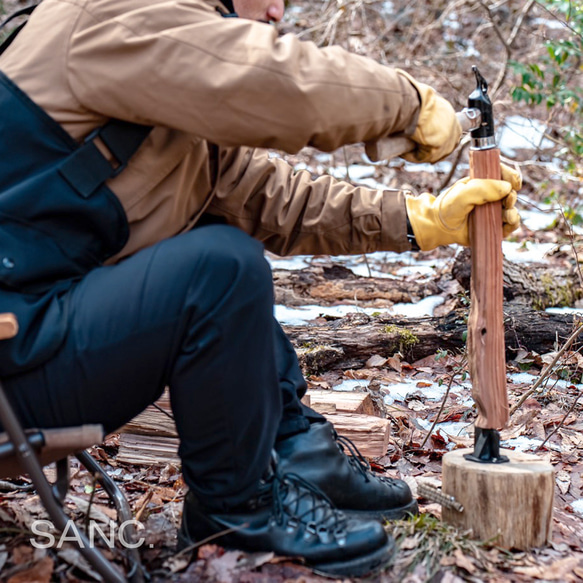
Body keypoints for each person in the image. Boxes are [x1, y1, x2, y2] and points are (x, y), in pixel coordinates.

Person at [0, 0, 520, 577]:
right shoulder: (112, 14)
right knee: (218, 269)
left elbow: (270, 198)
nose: (277, 9)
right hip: (14, 364)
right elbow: (272, 82)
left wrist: (419, 219)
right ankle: (234, 512)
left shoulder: (165, 83)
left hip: (31, 346)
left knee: (211, 241)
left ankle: (295, 452)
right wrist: (406, 103)